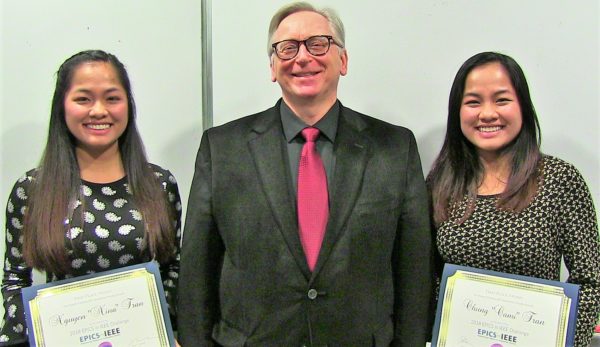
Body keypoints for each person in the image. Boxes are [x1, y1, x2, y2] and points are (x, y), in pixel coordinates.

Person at [178, 2, 433, 346]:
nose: (302, 57)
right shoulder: (222, 148)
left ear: (343, 60)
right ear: (272, 66)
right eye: (287, 47)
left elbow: (413, 273)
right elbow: (197, 273)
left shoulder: (394, 147)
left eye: (318, 43)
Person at [0, 50, 182, 346]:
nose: (99, 110)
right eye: (83, 99)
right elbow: (15, 282)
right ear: (62, 107)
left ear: (128, 106)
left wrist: (167, 330)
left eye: (112, 98)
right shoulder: (31, 189)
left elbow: (173, 267)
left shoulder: (159, 184)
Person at [427, 51, 600, 346]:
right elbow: (427, 280)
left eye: (501, 99)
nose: (487, 113)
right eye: (473, 102)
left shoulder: (559, 180)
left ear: (523, 106)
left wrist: (562, 340)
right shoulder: (439, 185)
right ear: (457, 112)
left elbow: (591, 280)